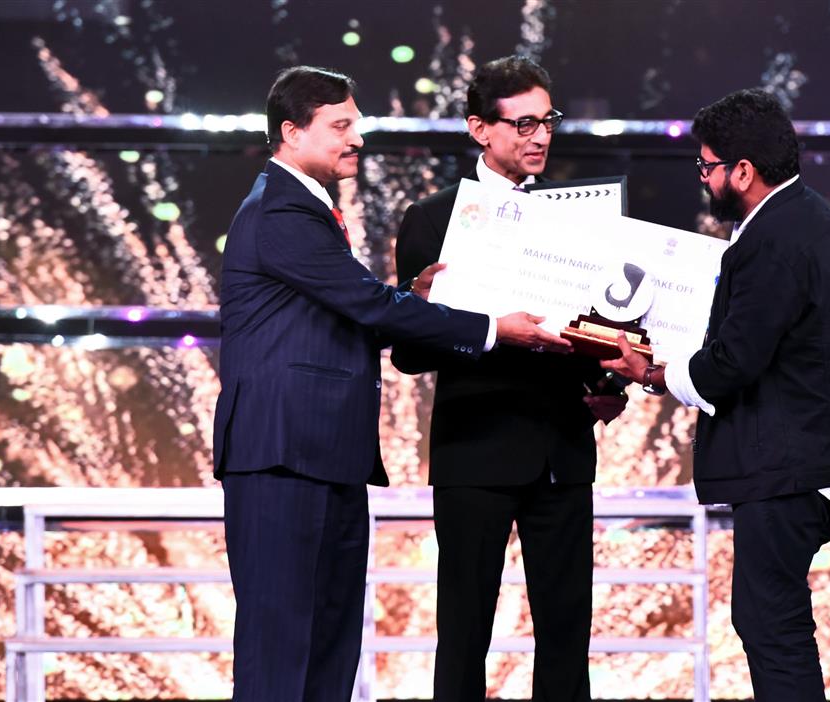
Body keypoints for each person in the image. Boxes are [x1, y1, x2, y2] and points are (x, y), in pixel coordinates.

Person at [212, 65, 567, 702]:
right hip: (282, 454)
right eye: (341, 126)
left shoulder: (306, 209)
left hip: (323, 455)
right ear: (291, 133)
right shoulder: (280, 211)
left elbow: (349, 314)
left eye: (357, 125)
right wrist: (491, 327)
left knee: (328, 637)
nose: (357, 140)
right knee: (281, 640)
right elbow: (367, 306)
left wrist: (410, 299)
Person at [602, 88, 830, 701]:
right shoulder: (803, 218)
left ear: (742, 170)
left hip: (788, 470)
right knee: (772, 621)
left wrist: (652, 373)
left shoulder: (776, 236)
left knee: (772, 625)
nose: (704, 179)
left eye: (707, 166)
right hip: (798, 465)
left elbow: (737, 358)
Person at [392, 55, 626, 702]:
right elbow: (408, 356)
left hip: (563, 450)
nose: (540, 136)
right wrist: (425, 308)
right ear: (479, 128)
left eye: (547, 120)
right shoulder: (429, 219)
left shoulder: (582, 216)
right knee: (464, 634)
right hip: (475, 452)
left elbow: (603, 323)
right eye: (523, 124)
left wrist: (612, 387)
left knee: (565, 637)